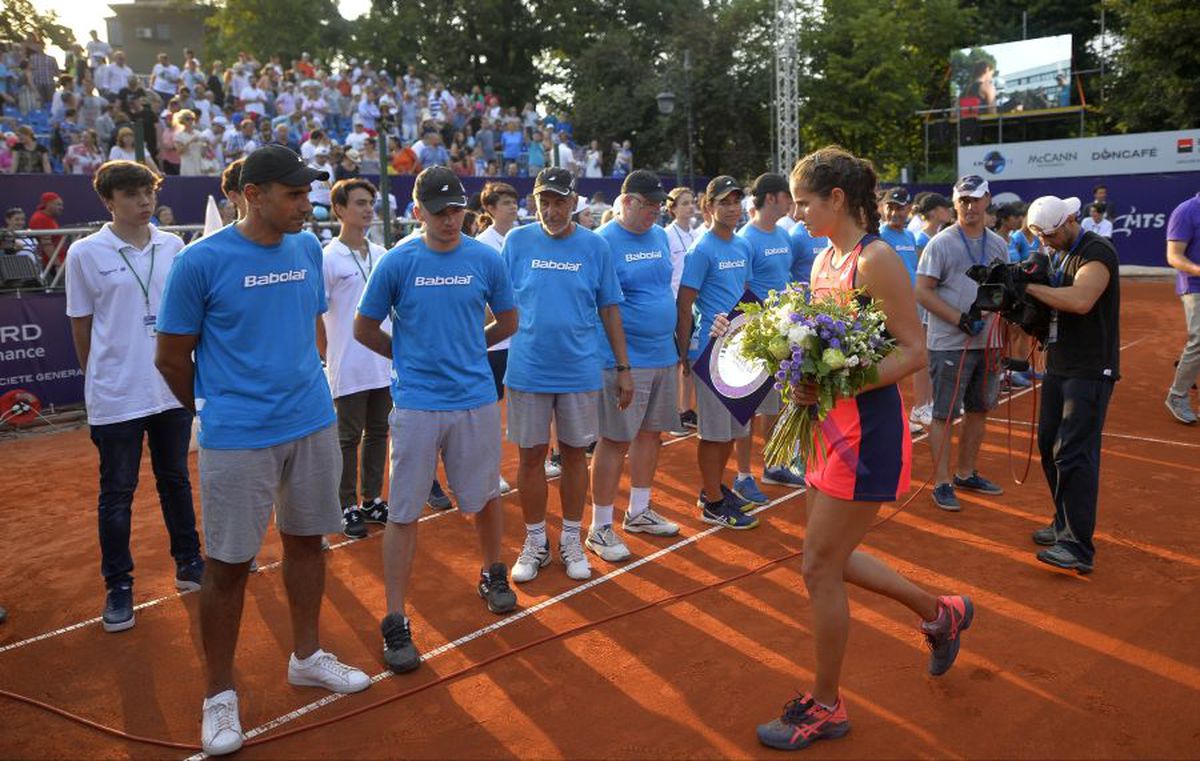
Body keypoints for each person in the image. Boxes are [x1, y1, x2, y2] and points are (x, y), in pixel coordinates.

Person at [752, 145, 973, 751]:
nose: (797, 215)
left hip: (866, 432)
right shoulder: (825, 260)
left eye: (804, 203)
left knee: (818, 566)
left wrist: (832, 379)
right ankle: (941, 612)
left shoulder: (874, 260)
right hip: (828, 428)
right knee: (835, 559)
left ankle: (826, 706)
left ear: (837, 200)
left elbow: (912, 351)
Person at [155, 146, 371, 756]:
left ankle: (306, 656)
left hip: (310, 420)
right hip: (238, 435)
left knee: (308, 541)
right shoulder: (200, 261)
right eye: (294, 195)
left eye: (308, 194)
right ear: (254, 194)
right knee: (226, 566)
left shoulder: (305, 248)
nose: (307, 206)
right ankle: (219, 695)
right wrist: (215, 404)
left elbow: (306, 324)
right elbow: (171, 357)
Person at [355, 166, 519, 672]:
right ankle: (395, 618)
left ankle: (493, 572)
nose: (450, 221)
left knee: (485, 498)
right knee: (404, 513)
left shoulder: (485, 259)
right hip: (418, 405)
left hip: (474, 399)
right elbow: (364, 328)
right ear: (417, 210)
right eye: (439, 211)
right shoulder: (397, 260)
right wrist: (406, 356)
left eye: (457, 211)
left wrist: (472, 348)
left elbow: (509, 320)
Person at [64, 160, 205, 634]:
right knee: (117, 494)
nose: (144, 201)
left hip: (168, 387)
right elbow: (81, 325)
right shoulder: (85, 253)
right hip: (117, 394)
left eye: (148, 192)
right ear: (109, 202)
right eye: (131, 194)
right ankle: (119, 586)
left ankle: (189, 562)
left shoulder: (174, 246)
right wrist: (100, 374)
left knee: (176, 481)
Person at [503, 167, 634, 584]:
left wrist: (623, 367)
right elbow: (498, 303)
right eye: (544, 200)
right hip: (527, 369)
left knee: (577, 455)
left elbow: (610, 308)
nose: (552, 209)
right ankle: (536, 540)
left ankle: (573, 539)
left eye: (560, 201)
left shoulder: (594, 246)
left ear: (575, 203)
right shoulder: (516, 241)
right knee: (530, 458)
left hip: (579, 370)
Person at [588, 171, 683, 562]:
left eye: (659, 205)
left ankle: (639, 511)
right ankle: (599, 526)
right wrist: (621, 365)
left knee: (651, 434)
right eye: (648, 204)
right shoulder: (603, 243)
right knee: (615, 440)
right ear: (626, 202)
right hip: (626, 360)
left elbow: (663, 290)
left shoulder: (660, 236)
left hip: (663, 354)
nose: (655, 212)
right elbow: (601, 307)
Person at [1023, 195, 1121, 574]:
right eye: (1039, 237)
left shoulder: (1098, 251)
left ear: (1069, 222)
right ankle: (1063, 524)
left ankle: (1078, 546)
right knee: (1050, 445)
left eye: (1048, 235)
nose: (1044, 243)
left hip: (1092, 368)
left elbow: (1081, 300)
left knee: (1075, 453)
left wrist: (1030, 290)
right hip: (1060, 364)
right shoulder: (1058, 254)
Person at [914, 175, 1007, 512]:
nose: (970, 206)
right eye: (963, 200)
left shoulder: (997, 243)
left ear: (987, 201)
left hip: (989, 341)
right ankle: (941, 482)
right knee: (944, 413)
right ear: (954, 204)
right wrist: (959, 318)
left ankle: (966, 473)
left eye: (976, 199)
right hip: (949, 342)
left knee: (980, 408)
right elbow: (921, 291)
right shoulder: (941, 243)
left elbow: (1002, 288)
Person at [675, 176, 759, 529]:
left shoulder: (742, 247)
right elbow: (684, 304)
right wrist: (684, 352)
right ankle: (712, 501)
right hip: (709, 350)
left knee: (733, 428)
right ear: (708, 207)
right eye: (723, 201)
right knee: (713, 433)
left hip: (739, 350)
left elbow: (743, 291)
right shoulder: (701, 249)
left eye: (736, 201)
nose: (731, 207)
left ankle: (714, 489)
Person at [318, 179, 393, 538]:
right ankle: (345, 504)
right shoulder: (327, 257)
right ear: (339, 209)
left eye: (371, 202)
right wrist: (328, 354)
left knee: (379, 431)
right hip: (347, 365)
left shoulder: (381, 254)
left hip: (383, 361)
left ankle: (372, 499)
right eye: (360, 203)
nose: (368, 209)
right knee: (347, 437)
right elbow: (317, 315)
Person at [735, 172, 807, 499]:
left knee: (776, 402)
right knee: (748, 406)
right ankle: (742, 474)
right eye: (788, 197)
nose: (792, 203)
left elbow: (786, 277)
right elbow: (743, 287)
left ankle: (774, 464)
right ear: (772, 198)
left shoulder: (783, 235)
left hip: (783, 332)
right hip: (756, 333)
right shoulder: (746, 238)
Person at [476, 181, 521, 494]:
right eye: (505, 202)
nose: (512, 207)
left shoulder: (522, 240)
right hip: (494, 340)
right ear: (489, 209)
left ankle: (535, 457)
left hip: (520, 338)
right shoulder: (482, 245)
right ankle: (489, 471)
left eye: (514, 202)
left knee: (522, 404)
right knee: (490, 409)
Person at [1165, 190, 1200, 424]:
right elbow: (1174, 256)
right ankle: (1177, 396)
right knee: (1199, 340)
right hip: (1195, 285)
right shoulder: (1186, 211)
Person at [665, 187, 699, 430]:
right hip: (675, 305)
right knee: (677, 360)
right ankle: (673, 411)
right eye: (684, 203)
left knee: (690, 360)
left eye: (691, 202)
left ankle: (686, 409)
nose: (690, 206)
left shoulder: (696, 235)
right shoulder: (666, 235)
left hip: (694, 306)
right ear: (673, 209)